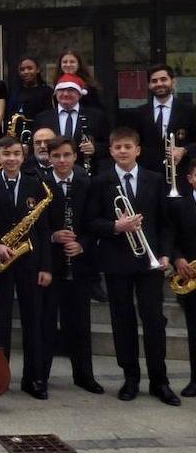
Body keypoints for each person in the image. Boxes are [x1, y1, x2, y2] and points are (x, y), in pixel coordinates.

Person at [88, 126, 179, 406]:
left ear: (138, 150)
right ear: (111, 151)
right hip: (117, 263)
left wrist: (165, 254)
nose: (123, 151)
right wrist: (116, 225)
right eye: (117, 148)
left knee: (153, 321)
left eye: (128, 147)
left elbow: (165, 223)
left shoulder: (155, 180)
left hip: (149, 262)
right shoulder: (101, 182)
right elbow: (91, 222)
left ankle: (159, 381)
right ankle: (130, 378)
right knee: (122, 320)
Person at [0, 136, 53, 399]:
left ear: (23, 157)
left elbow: (44, 230)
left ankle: (33, 379)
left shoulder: (36, 185)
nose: (11, 158)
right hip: (0, 260)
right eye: (6, 153)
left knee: (33, 321)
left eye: (16, 154)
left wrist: (46, 267)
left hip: (30, 262)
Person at [40, 137, 104, 395]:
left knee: (80, 323)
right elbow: (37, 224)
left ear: (75, 156)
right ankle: (40, 376)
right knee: (45, 323)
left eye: (67, 155)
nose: (62, 160)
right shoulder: (41, 184)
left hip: (78, 263)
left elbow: (94, 222)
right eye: (57, 156)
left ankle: (84, 375)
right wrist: (53, 236)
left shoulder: (86, 183)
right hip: (51, 262)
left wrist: (82, 245)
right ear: (49, 158)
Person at [34, 74, 110, 177]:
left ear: (80, 94)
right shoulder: (42, 118)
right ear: (56, 93)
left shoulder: (96, 116)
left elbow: (108, 146)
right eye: (61, 90)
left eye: (70, 90)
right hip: (51, 176)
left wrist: (94, 148)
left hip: (86, 175)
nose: (65, 94)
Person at [131, 64, 194, 181]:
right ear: (149, 85)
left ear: (173, 82)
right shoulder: (138, 113)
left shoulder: (189, 110)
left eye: (163, 79)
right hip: (148, 178)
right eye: (154, 81)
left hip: (181, 177)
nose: (159, 84)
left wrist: (184, 150)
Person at [170, 162, 196, 398]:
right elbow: (171, 237)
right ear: (190, 178)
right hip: (190, 273)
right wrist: (178, 259)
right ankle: (195, 380)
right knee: (194, 330)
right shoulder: (180, 206)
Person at [7, 56, 53, 139]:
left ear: (38, 70)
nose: (25, 72)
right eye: (22, 69)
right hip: (16, 135)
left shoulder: (47, 91)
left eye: (30, 68)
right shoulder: (15, 91)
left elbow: (47, 116)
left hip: (37, 134)